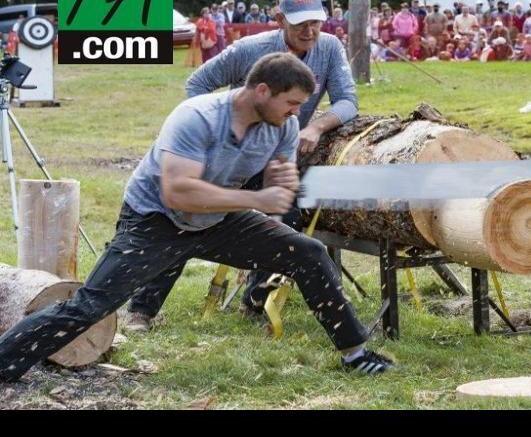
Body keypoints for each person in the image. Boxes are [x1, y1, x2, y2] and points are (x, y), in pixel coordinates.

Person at [0, 53, 396, 383]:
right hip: (155, 219)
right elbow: (179, 192)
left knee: (307, 253)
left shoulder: (283, 125)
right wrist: (256, 198)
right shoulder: (197, 117)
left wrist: (283, 181)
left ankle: (355, 353)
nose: (297, 112)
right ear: (261, 91)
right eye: (291, 102)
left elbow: (280, 176)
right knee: (91, 306)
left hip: (219, 219)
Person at [126, 0, 359, 330]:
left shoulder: (329, 47)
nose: (309, 32)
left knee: (285, 215)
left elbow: (348, 101)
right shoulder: (249, 49)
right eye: (300, 24)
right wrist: (218, 135)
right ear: (279, 19)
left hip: (276, 154)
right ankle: (142, 310)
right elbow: (197, 84)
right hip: (232, 157)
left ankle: (256, 300)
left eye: (315, 23)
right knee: (183, 221)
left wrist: (315, 128)